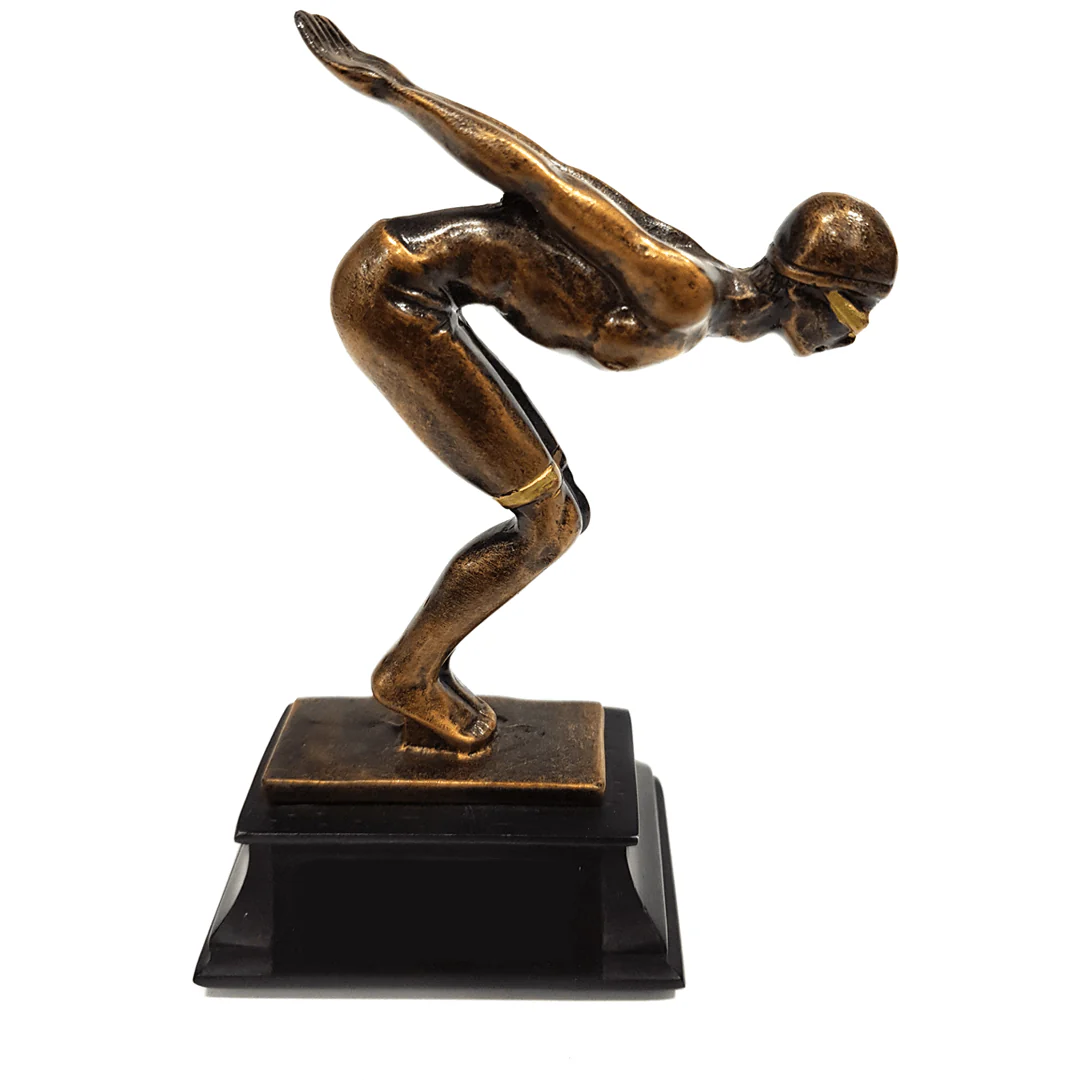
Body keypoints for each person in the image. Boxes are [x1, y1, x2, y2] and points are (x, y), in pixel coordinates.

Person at [295, 12, 898, 751]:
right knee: (548, 523)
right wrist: (395, 88)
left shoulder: (704, 297)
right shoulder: (685, 294)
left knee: (560, 517)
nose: (849, 339)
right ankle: (409, 677)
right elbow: (538, 175)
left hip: (423, 294)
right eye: (857, 315)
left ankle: (415, 671)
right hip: (391, 291)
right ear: (813, 293)